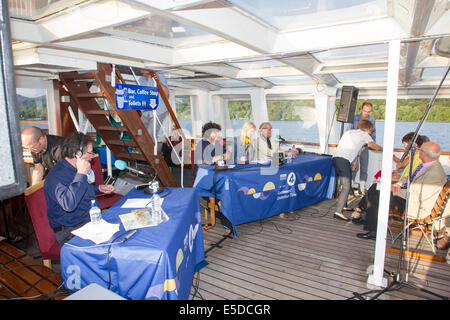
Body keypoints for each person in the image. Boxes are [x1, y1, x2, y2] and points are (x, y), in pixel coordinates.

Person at [356, 142, 447, 240]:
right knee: (375, 188)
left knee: (377, 197)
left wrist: (397, 189)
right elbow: (409, 178)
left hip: (413, 204)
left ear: (425, 154)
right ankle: (367, 218)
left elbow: (422, 194)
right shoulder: (426, 166)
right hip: (408, 196)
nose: (418, 151)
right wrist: (398, 184)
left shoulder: (434, 172)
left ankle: (374, 230)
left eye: (420, 150)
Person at [44, 132, 115, 245]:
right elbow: (69, 204)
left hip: (89, 221)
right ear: (76, 153)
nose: (92, 157)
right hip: (70, 230)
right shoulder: (56, 176)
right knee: (109, 248)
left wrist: (98, 188)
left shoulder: (76, 168)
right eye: (90, 153)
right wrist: (81, 174)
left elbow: (81, 191)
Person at [352, 133, 425, 223]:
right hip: (403, 186)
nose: (405, 149)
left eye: (406, 147)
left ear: (414, 145)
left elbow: (409, 178)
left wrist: (388, 180)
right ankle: (365, 213)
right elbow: (403, 171)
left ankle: (364, 213)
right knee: (375, 187)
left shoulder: (419, 159)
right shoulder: (414, 158)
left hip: (405, 192)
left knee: (375, 189)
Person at [332, 119, 383, 221]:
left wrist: (354, 159)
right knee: (346, 186)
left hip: (336, 159)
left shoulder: (349, 132)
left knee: (346, 184)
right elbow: (373, 145)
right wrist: (385, 148)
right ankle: (338, 212)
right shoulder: (364, 134)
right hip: (343, 161)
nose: (371, 133)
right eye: (371, 131)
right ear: (367, 129)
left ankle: (344, 205)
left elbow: (352, 146)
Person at [350, 101, 376, 195]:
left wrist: (370, 143)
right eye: (365, 111)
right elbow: (350, 131)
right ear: (362, 109)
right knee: (354, 167)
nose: (366, 113)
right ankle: (350, 187)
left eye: (368, 111)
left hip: (365, 147)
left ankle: (362, 188)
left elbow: (373, 134)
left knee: (364, 168)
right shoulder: (354, 118)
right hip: (355, 147)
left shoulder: (372, 119)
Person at [139, 69, 170, 141]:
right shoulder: (141, 80)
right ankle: (142, 151)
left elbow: (167, 93)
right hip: (146, 111)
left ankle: (151, 151)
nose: (143, 69)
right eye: (141, 68)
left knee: (150, 134)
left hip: (159, 110)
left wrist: (158, 81)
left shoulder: (158, 75)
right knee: (139, 132)